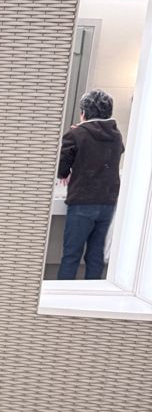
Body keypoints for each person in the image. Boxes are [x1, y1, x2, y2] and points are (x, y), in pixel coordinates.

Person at [56, 89, 125, 280]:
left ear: (84, 112)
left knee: (71, 254)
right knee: (95, 256)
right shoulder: (116, 135)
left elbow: (61, 166)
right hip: (107, 202)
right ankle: (93, 292)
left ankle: (63, 293)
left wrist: (65, 173)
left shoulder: (76, 134)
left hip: (82, 202)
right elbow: (117, 151)